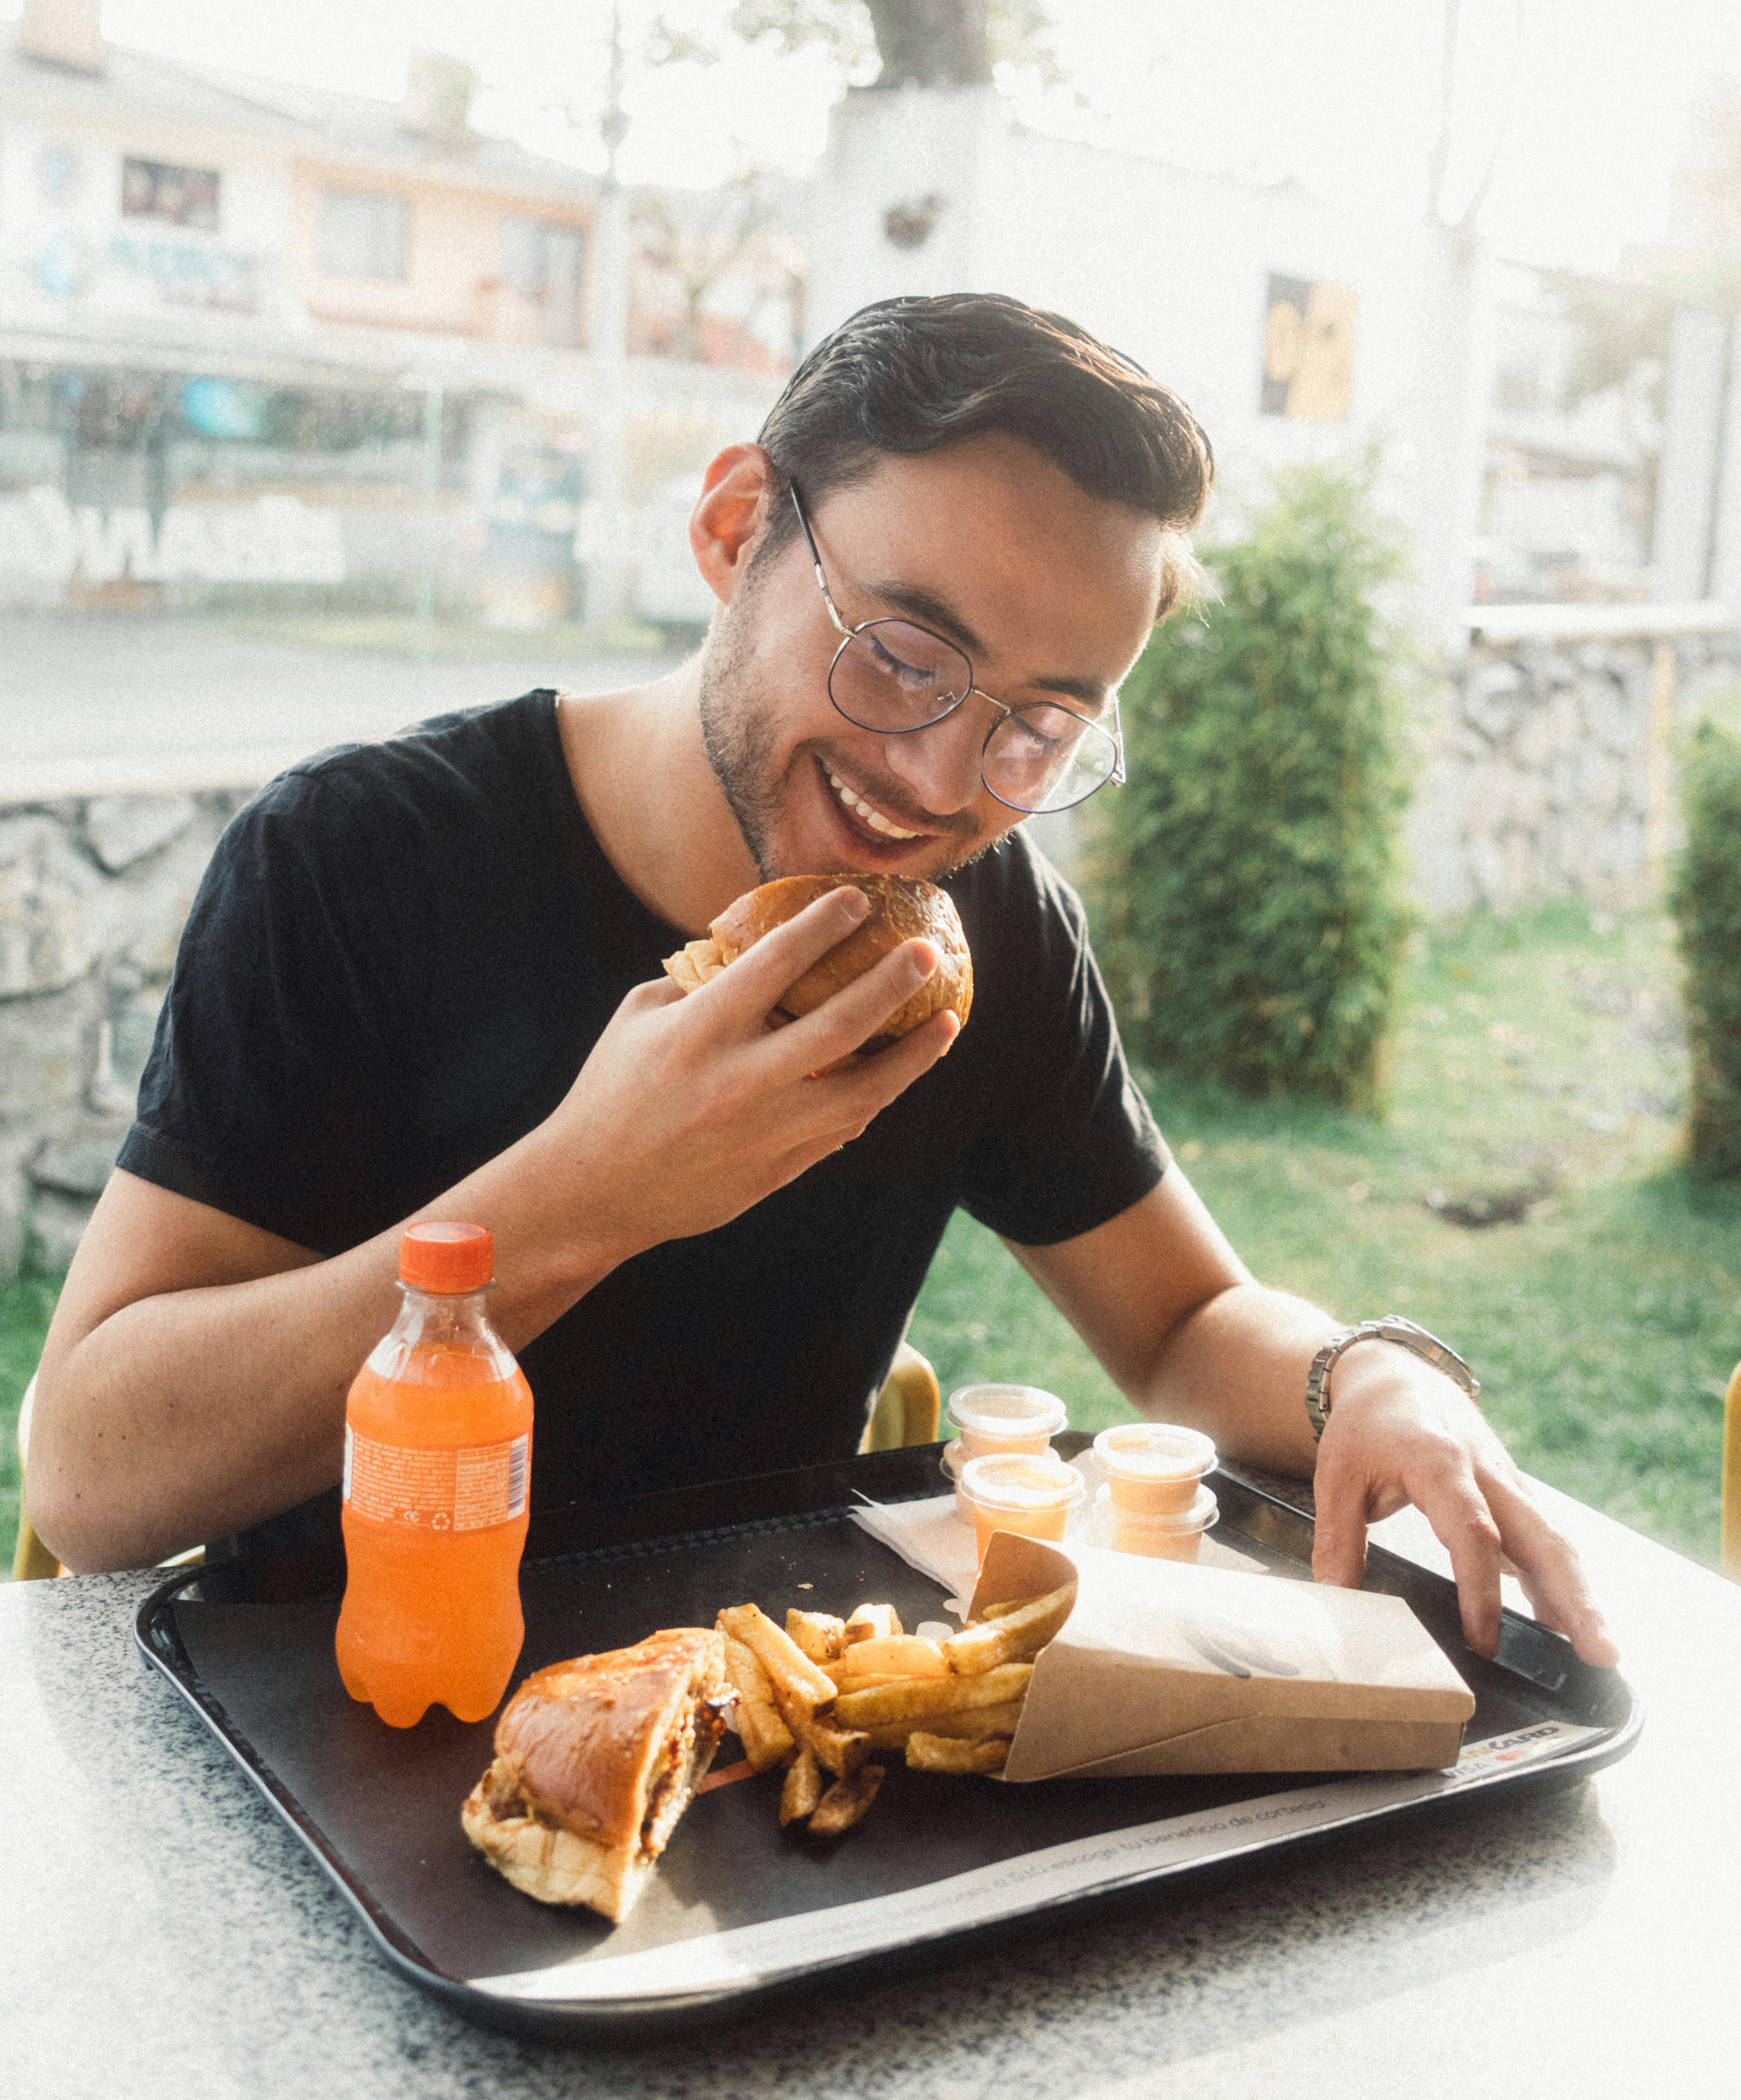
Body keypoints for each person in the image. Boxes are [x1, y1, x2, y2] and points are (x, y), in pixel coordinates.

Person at [27, 294, 1615, 1667]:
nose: (941, 779)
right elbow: (89, 1483)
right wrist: (591, 1193)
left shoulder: (987, 931)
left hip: (759, 1743)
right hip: (336, 1718)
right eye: (907, 656)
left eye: (1040, 725)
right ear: (733, 532)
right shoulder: (359, 861)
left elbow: (1188, 1319)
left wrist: (1369, 1378)